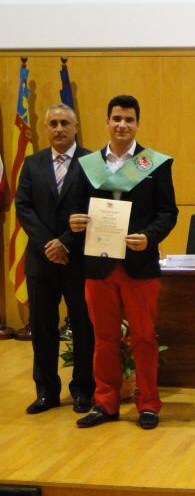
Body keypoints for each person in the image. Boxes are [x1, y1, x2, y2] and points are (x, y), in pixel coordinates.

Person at [69, 95, 178, 430]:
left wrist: (149, 236)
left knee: (144, 337)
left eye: (129, 120)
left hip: (139, 265)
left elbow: (168, 212)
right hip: (98, 265)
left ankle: (148, 404)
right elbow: (75, 211)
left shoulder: (153, 164)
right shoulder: (87, 164)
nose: (122, 125)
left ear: (137, 124)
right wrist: (74, 223)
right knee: (103, 338)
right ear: (107, 121)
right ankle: (106, 402)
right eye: (116, 118)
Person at [15, 103, 94, 415]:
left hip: (78, 259)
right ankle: (46, 391)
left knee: (83, 327)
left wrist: (65, 242)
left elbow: (95, 208)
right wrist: (49, 243)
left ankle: (83, 390)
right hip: (41, 260)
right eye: (53, 124)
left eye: (65, 123)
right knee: (43, 327)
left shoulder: (91, 163)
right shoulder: (32, 164)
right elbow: (23, 207)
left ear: (75, 127)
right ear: (45, 129)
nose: (59, 129)